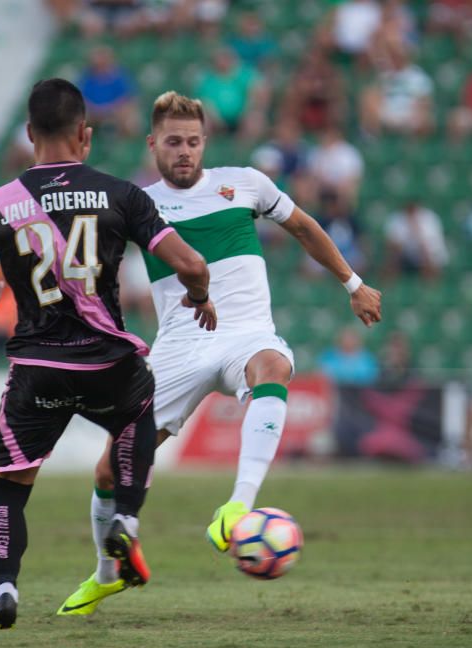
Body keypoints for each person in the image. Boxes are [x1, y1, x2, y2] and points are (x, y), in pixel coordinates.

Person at [58, 91, 382, 616]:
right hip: (180, 347)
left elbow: (302, 226)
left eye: (191, 141)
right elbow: (88, 265)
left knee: (273, 366)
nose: (183, 151)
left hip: (246, 333)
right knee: (107, 473)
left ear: (204, 142)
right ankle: (106, 574)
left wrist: (354, 284)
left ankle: (238, 505)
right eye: (172, 142)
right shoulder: (136, 202)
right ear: (152, 144)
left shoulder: (246, 184)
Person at [0, 78, 214, 630]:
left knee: (9, 490)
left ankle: (3, 592)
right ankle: (126, 526)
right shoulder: (121, 194)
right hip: (108, 363)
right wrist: (201, 297)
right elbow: (193, 265)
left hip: (37, 368)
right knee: (138, 415)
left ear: (31, 135)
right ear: (84, 136)